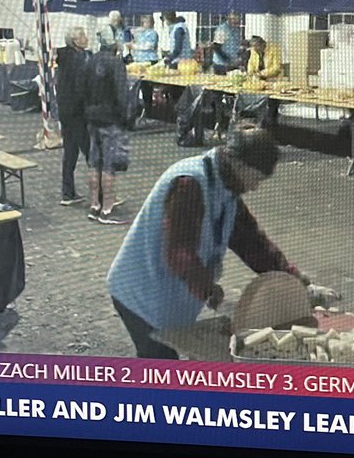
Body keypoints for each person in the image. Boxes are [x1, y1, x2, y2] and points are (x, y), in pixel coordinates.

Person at [106, 124, 327, 358]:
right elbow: (180, 253)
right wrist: (208, 289)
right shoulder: (189, 183)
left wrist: (300, 282)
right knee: (161, 366)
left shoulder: (227, 187)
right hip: (141, 292)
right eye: (256, 179)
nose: (255, 187)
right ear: (239, 165)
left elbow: (254, 245)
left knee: (169, 365)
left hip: (170, 296)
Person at [83, 38, 134, 225]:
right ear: (114, 45)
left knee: (94, 164)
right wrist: (126, 118)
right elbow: (122, 94)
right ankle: (107, 209)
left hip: (92, 119)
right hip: (111, 120)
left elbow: (83, 90)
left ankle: (94, 204)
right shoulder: (116, 63)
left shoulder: (90, 61)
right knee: (109, 166)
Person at [54, 27, 91, 206]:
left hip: (71, 112)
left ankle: (68, 193)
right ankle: (102, 196)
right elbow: (80, 87)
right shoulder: (73, 60)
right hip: (75, 113)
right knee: (91, 152)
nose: (86, 38)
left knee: (70, 152)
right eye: (82, 35)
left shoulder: (79, 57)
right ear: (74, 41)